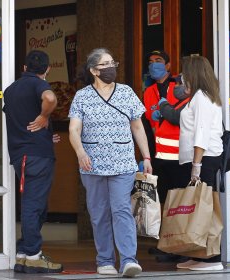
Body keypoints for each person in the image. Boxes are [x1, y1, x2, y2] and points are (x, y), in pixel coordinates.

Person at [68, 48, 152, 278]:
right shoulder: (82, 96)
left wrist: (146, 157)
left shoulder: (126, 92)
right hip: (91, 164)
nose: (111, 67)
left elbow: (137, 126)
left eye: (112, 62)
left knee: (122, 209)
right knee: (99, 213)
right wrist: (80, 152)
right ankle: (105, 260)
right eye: (105, 64)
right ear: (94, 70)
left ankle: (128, 260)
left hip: (123, 162)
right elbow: (74, 129)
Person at [3, 50, 63, 274]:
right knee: (33, 205)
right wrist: (45, 116)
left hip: (22, 154)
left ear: (25, 67)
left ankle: (23, 255)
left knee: (37, 205)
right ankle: (34, 255)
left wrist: (46, 134)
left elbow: (19, 119)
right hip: (36, 155)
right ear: (47, 70)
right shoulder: (37, 84)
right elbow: (50, 99)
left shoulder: (10, 90)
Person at [165, 55, 224, 271]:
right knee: (195, 208)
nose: (181, 78)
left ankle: (211, 259)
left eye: (184, 73)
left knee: (204, 208)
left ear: (194, 74)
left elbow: (201, 132)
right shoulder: (199, 97)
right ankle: (198, 255)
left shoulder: (202, 97)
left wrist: (196, 166)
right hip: (197, 159)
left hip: (204, 159)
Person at [142, 50, 191, 262]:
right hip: (158, 151)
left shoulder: (178, 87)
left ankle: (179, 244)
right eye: (151, 62)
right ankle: (166, 241)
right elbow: (150, 121)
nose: (154, 65)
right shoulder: (149, 90)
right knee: (161, 197)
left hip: (178, 152)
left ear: (169, 65)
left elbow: (179, 116)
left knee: (177, 197)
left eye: (159, 61)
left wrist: (164, 114)